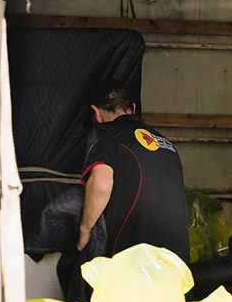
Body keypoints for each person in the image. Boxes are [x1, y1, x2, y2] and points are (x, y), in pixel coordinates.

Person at [77, 80, 189, 264]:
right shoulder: (166, 144)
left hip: (135, 259)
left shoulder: (105, 133)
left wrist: (84, 231)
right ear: (133, 108)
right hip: (177, 260)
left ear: (95, 113)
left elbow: (102, 184)